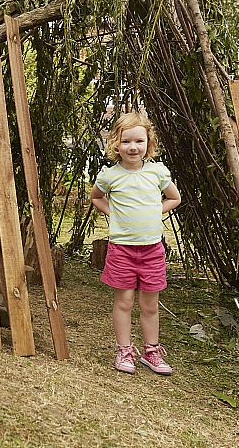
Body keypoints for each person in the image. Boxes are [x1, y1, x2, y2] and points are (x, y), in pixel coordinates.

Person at [90, 111, 181, 375]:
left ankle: (151, 351)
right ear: (116, 143)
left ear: (148, 143)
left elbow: (174, 198)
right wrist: (114, 213)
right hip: (122, 250)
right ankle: (125, 350)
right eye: (126, 141)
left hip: (152, 250)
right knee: (125, 302)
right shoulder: (110, 176)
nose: (133, 147)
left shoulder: (157, 172)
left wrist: (155, 211)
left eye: (139, 141)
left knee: (150, 304)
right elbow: (96, 198)